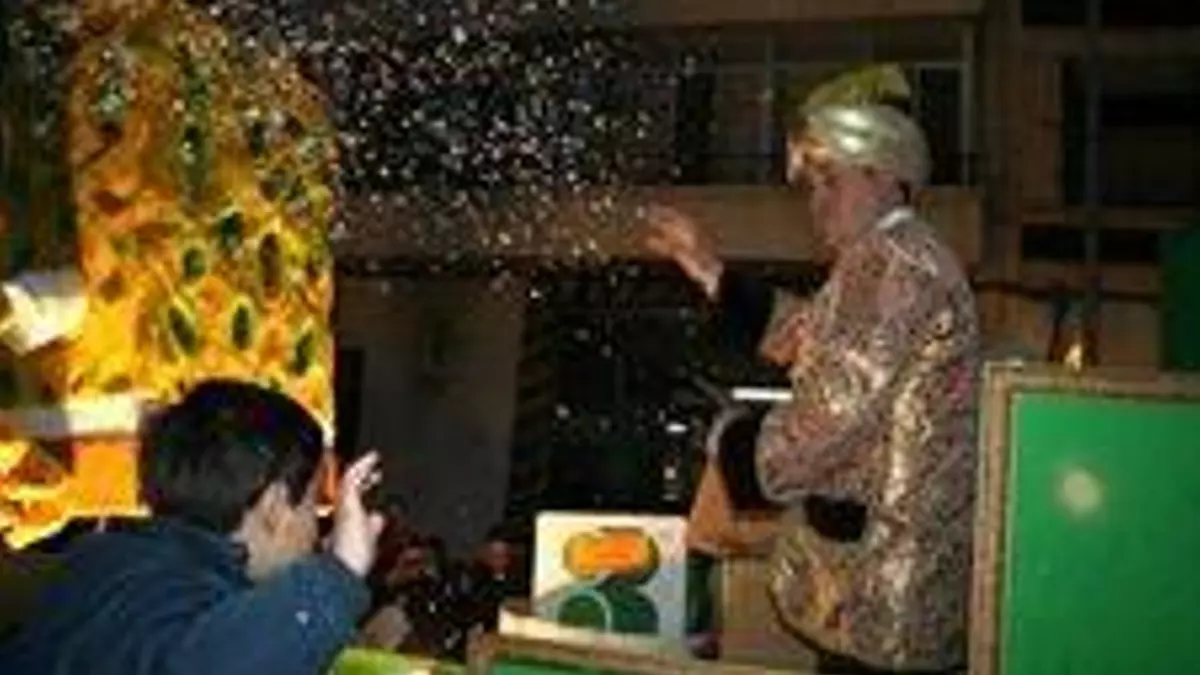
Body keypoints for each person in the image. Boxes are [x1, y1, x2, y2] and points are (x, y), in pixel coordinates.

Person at [646, 67, 980, 674]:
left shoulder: (893, 263)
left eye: (831, 181)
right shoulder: (892, 258)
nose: (816, 202)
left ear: (885, 175)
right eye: (811, 187)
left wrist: (733, 443)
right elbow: (812, 338)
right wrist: (708, 268)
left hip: (887, 600)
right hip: (885, 592)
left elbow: (830, 417)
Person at [0, 379, 387, 675]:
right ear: (274, 506)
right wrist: (338, 573)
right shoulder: (153, 589)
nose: (316, 534)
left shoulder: (114, 564)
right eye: (313, 508)